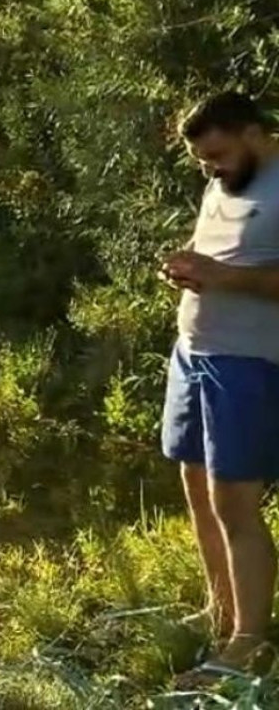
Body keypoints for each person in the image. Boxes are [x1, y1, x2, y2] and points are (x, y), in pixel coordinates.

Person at [159, 91, 279, 679]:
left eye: (219, 155)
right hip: (194, 354)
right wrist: (188, 269)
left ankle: (250, 642)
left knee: (234, 500)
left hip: (251, 362)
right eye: (204, 161)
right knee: (197, 483)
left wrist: (221, 277)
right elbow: (219, 255)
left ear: (255, 133)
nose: (212, 168)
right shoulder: (224, 183)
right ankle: (221, 608)